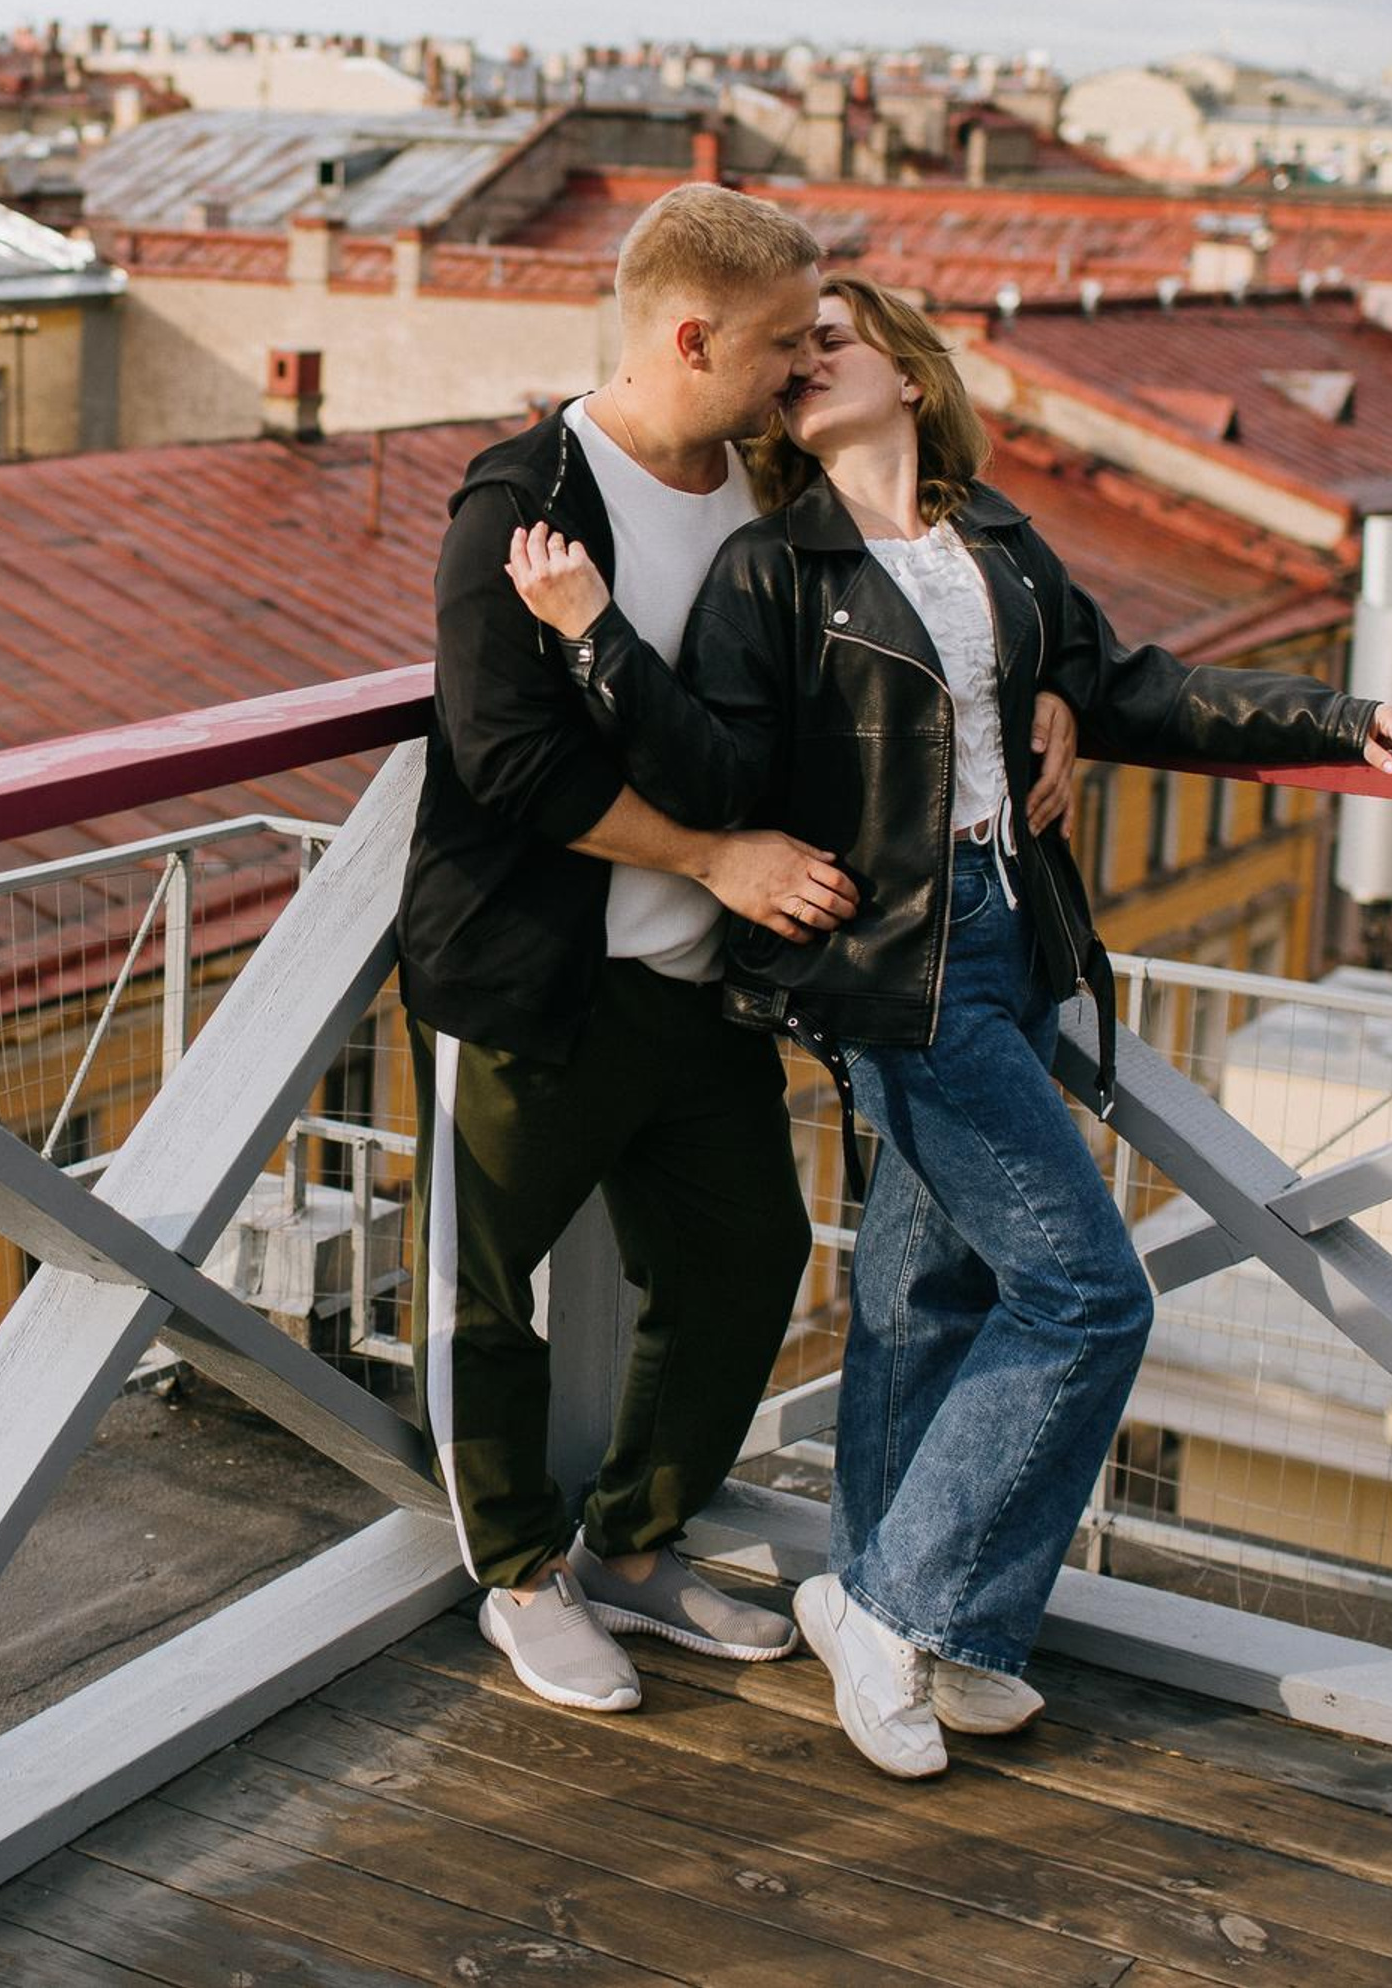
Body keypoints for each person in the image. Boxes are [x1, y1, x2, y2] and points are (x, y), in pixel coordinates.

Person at [506, 274, 1392, 1774]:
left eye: (831, 342)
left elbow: (1131, 685)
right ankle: (910, 1614)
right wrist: (597, 633)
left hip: (1015, 940)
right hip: (895, 973)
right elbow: (714, 769)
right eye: (791, 349)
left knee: (921, 1301)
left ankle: (893, 1609)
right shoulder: (772, 570)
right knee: (1087, 1294)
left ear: (910, 379)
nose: (803, 363)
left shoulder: (993, 539)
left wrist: (1329, 720)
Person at [397, 187, 1080, 1715]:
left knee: (746, 1260)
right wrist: (714, 853)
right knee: (482, 1294)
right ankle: (517, 1580)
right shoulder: (525, 500)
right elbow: (510, 763)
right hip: (535, 981)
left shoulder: (773, 497)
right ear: (690, 335)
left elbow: (921, 624)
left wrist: (1051, 699)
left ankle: (633, 1553)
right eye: (779, 345)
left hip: (704, 982)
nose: (797, 373)